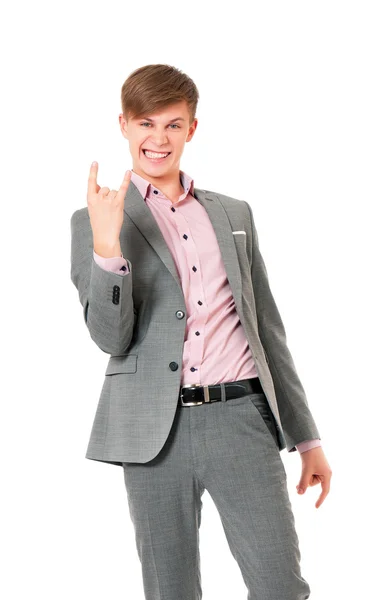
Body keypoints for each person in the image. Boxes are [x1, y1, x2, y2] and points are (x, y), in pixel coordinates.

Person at [70, 63, 332, 600]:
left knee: (281, 585)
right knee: (171, 590)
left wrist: (307, 438)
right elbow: (109, 339)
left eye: (172, 124)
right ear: (123, 125)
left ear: (192, 128)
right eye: (145, 124)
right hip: (153, 433)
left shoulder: (233, 213)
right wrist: (106, 247)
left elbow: (268, 330)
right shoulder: (93, 219)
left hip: (242, 419)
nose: (158, 139)